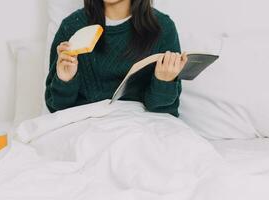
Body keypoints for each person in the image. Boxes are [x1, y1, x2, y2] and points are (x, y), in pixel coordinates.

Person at [45, 0, 188, 117]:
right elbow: (56, 108)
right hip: (86, 126)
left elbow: (168, 111)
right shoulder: (71, 27)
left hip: (142, 126)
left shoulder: (163, 28)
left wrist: (164, 81)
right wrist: (65, 81)